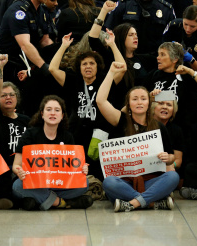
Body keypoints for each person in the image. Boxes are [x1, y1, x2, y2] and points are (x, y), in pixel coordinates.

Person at [96, 62, 179, 212]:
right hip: (125, 181)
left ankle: (132, 203)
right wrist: (111, 72)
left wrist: (168, 158)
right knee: (109, 183)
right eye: (135, 99)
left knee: (173, 177)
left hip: (150, 181)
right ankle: (151, 202)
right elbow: (100, 101)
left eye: (143, 99)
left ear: (149, 103)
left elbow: (172, 157)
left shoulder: (159, 127)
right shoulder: (120, 121)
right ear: (128, 104)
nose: (139, 102)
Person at [49, 33, 122, 180]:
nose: (88, 66)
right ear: (79, 67)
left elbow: (122, 68)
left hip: (102, 133)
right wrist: (63, 46)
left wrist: (113, 45)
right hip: (78, 132)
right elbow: (52, 69)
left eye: (92, 63)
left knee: (100, 173)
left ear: (98, 66)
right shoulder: (72, 81)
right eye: (84, 64)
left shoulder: (104, 80)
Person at [144, 42, 197, 185]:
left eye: (162, 55)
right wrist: (150, 98)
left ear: (175, 59)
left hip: (183, 130)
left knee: (182, 172)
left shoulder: (186, 76)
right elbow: (140, 99)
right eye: (158, 54)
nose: (158, 58)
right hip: (158, 129)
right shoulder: (154, 76)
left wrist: (191, 72)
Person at [12, 95, 93, 210]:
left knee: (84, 182)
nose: (53, 113)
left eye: (57, 110)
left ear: (62, 115)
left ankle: (41, 200)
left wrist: (82, 169)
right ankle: (62, 203)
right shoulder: (30, 135)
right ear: (42, 114)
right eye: (48, 110)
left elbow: (73, 170)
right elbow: (16, 165)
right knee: (17, 186)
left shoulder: (67, 137)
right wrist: (19, 172)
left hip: (59, 184)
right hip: (36, 184)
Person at [0, 0, 53, 85]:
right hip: (11, 66)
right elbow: (25, 45)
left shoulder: (42, 10)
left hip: (30, 64)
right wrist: (44, 68)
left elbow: (45, 41)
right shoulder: (18, 11)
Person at [89, 1, 157, 89]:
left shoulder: (144, 59)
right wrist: (104, 11)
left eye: (136, 34)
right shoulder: (109, 58)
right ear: (121, 38)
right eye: (131, 35)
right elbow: (93, 39)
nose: (135, 37)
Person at [104, 0, 175, 56]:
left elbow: (173, 40)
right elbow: (108, 31)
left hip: (156, 59)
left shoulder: (166, 9)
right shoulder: (124, 5)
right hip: (129, 57)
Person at [163, 5, 197, 80]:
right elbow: (161, 49)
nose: (188, 29)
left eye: (192, 26)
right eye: (185, 24)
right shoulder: (173, 26)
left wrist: (190, 59)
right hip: (170, 69)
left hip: (194, 76)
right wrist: (170, 48)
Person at [0, 82, 31, 167]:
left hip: (27, 165)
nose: (8, 97)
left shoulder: (26, 120)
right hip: (5, 167)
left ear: (17, 98)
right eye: (3, 95)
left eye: (12, 95)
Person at [151, 99, 184, 173]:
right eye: (161, 103)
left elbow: (178, 160)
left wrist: (172, 165)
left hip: (165, 170)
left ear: (173, 111)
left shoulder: (176, 130)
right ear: (153, 107)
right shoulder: (143, 124)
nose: (165, 107)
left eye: (169, 105)